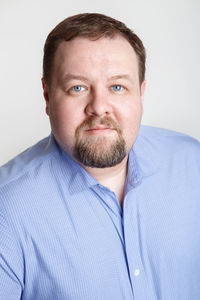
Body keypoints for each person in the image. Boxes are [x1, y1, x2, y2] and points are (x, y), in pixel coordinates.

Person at [0, 12, 200, 300]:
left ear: (141, 94)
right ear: (47, 96)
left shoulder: (191, 165)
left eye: (117, 87)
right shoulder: (7, 210)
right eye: (77, 88)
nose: (99, 107)